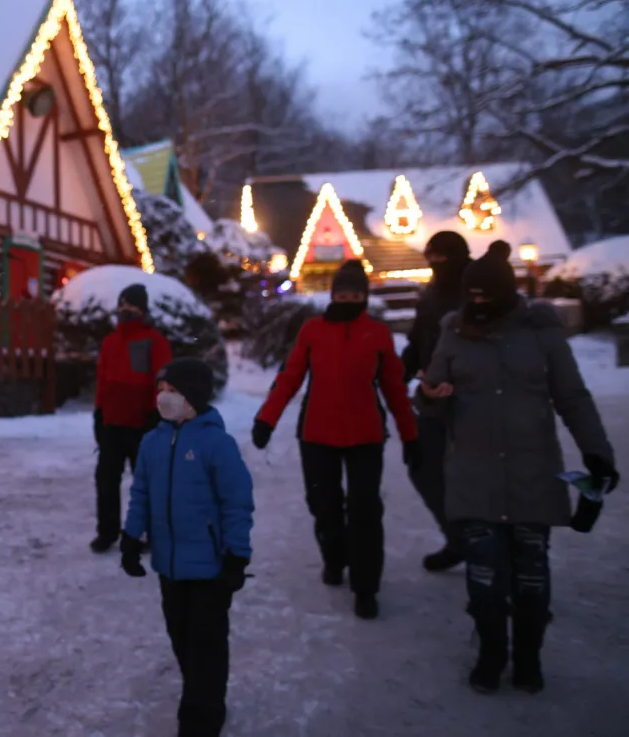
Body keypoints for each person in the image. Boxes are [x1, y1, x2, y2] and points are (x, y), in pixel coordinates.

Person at [421, 240, 617, 695]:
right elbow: (431, 394)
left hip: (533, 475)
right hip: (474, 476)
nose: (478, 305)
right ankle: (492, 653)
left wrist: (598, 454)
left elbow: (572, 398)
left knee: (531, 577)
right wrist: (430, 398)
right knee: (486, 579)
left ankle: (529, 656)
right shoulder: (454, 332)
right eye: (472, 297)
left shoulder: (541, 334)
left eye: (487, 296)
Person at [251, 260, 418, 619]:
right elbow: (290, 378)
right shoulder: (312, 331)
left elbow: (394, 389)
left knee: (365, 512)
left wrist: (411, 434)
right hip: (317, 434)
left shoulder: (377, 334)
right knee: (323, 505)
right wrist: (267, 419)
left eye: (356, 294)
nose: (348, 299)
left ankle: (366, 585)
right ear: (332, 294)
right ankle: (334, 555)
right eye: (343, 294)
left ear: (365, 297)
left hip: (365, 435)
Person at [120, 358, 254, 737]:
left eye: (173, 391)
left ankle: (202, 717)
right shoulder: (152, 442)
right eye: (161, 390)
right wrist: (131, 538)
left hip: (210, 568)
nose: (164, 398)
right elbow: (141, 493)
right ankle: (202, 695)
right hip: (169, 565)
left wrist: (237, 555)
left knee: (206, 644)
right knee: (181, 636)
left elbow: (237, 502)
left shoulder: (217, 444)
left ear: (193, 396)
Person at [400, 230, 472, 572]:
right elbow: (417, 342)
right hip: (432, 400)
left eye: (443, 258)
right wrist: (395, 377)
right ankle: (459, 538)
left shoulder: (478, 291)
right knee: (423, 468)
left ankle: (493, 550)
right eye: (432, 258)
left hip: (475, 401)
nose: (437, 264)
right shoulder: (429, 294)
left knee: (478, 477)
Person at [91, 283, 172, 553]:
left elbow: (163, 380)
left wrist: (156, 413)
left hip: (143, 425)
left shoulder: (154, 340)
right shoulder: (110, 342)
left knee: (145, 485)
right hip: (113, 424)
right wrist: (99, 413)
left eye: (132, 305)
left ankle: (145, 534)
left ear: (143, 309)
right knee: (106, 481)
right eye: (123, 304)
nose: (126, 310)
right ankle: (107, 532)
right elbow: (103, 381)